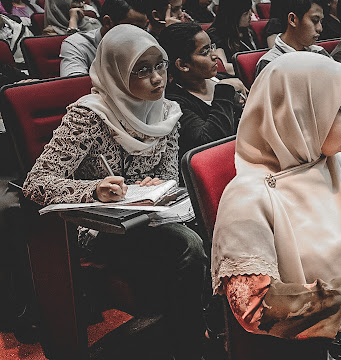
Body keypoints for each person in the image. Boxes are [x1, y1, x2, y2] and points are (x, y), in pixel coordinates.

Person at [21, 24, 208, 360]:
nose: (158, 79)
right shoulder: (89, 115)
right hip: (98, 226)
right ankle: (189, 346)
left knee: (214, 225)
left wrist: (157, 184)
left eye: (160, 65)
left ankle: (196, 331)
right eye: (143, 70)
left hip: (147, 216)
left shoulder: (166, 112)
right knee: (189, 246)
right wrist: (94, 188)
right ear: (117, 72)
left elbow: (166, 173)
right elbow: (37, 182)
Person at [211, 51, 341, 346]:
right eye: (340, 108)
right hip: (314, 344)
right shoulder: (247, 198)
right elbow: (256, 307)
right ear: (298, 115)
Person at [159, 22, 240, 162]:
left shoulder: (221, 79)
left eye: (212, 47)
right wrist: (224, 92)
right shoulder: (174, 103)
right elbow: (210, 142)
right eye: (205, 52)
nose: (214, 56)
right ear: (183, 65)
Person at [60, 0, 148, 77]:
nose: (141, 35)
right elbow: (76, 86)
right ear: (108, 22)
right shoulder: (77, 45)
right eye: (134, 29)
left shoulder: (143, 42)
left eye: (144, 29)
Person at [255, 0, 329, 76]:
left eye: (321, 21)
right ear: (292, 20)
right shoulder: (270, 63)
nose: (320, 28)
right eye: (315, 20)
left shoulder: (319, 52)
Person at [206, 0, 258, 75]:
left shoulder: (247, 30)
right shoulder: (214, 36)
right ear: (233, 16)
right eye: (246, 13)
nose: (251, 15)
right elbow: (224, 67)